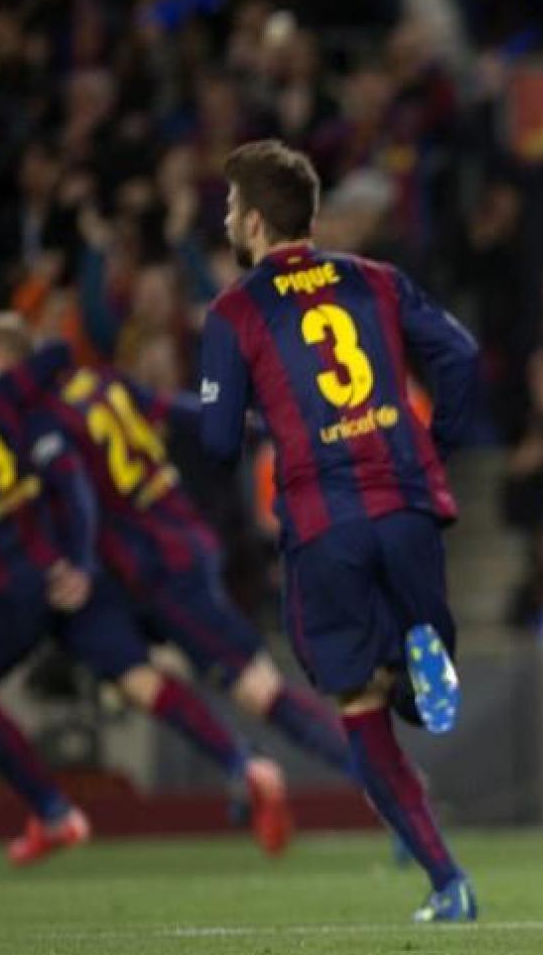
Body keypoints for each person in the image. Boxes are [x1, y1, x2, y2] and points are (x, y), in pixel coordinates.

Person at [197, 139, 481, 923]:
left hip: (325, 524)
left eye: (229, 208)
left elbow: (218, 443)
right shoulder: (376, 281)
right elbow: (459, 356)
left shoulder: (234, 312)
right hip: (408, 501)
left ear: (254, 220)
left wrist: (261, 410)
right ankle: (427, 661)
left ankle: (447, 883)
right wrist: (437, 445)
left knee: (359, 707)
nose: (226, 219)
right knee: (421, 678)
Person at [0, 334, 289, 866]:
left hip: (9, 586)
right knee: (137, 679)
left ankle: (54, 814)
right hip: (68, 575)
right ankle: (243, 764)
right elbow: (58, 352)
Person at [0, 314, 357, 784]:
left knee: (254, 689)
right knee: (129, 673)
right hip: (150, 558)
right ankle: (243, 766)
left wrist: (81, 562)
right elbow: (174, 409)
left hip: (158, 561)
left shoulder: (39, 417)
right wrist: (260, 425)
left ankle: (378, 779)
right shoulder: (96, 382)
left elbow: (77, 493)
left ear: (1, 359)